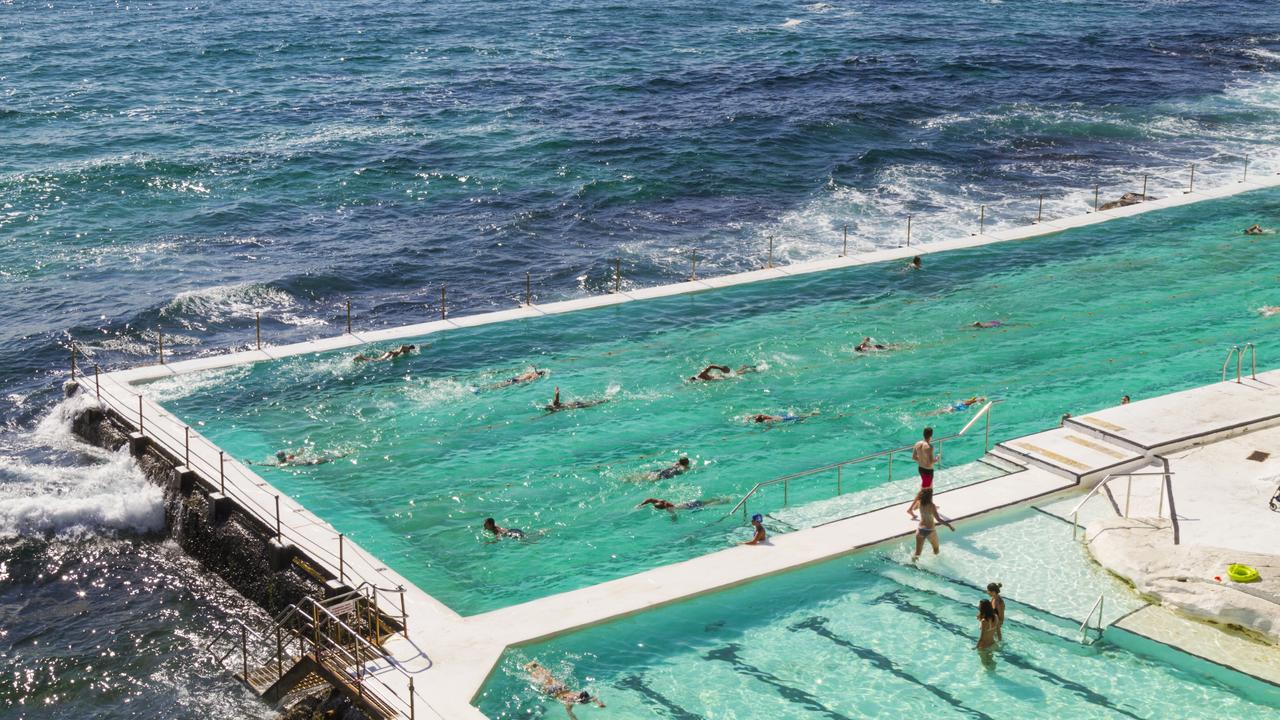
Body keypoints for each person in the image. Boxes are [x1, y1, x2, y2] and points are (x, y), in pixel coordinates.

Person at [523, 662, 604, 718]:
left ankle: (535, 665)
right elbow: (570, 713)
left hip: (562, 687)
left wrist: (600, 704)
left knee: (548, 677)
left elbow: (593, 698)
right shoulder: (571, 702)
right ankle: (528, 668)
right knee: (541, 681)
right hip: (555, 692)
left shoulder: (580, 696)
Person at [909, 488, 954, 561]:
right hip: (930, 530)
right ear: (930, 496)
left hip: (920, 529)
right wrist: (949, 526)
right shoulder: (932, 505)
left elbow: (914, 509)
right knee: (936, 549)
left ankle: (912, 562)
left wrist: (918, 500)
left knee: (917, 553)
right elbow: (938, 519)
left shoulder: (919, 502)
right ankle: (936, 562)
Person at [637, 496, 729, 514]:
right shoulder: (663, 501)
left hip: (691, 507)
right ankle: (722, 498)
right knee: (707, 502)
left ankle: (724, 501)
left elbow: (674, 517)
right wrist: (641, 504)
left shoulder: (669, 509)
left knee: (709, 506)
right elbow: (650, 499)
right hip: (690, 502)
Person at [751, 411, 818, 424]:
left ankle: (811, 414)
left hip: (784, 419)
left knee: (799, 418)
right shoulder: (763, 416)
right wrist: (749, 417)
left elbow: (770, 426)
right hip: (781, 416)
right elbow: (758, 415)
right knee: (797, 416)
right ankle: (810, 414)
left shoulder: (767, 421)